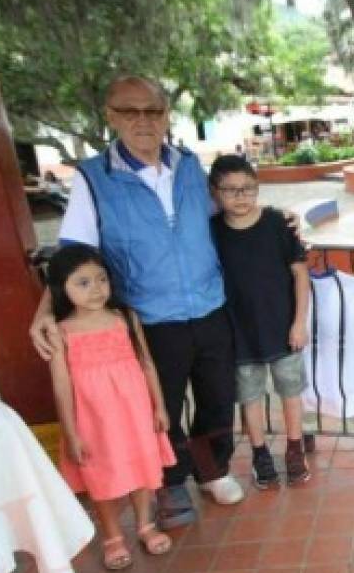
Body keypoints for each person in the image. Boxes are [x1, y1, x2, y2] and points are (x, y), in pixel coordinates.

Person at [30, 75, 245, 529]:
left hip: (209, 306)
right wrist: (44, 313)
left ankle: (212, 470)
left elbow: (229, 214)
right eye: (130, 111)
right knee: (158, 403)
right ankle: (170, 481)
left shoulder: (189, 166)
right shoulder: (94, 178)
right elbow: (73, 258)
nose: (143, 120)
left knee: (217, 398)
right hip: (147, 317)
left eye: (153, 110)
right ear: (110, 116)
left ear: (166, 114)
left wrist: (278, 221)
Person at [46, 244, 174, 570]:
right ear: (62, 287)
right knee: (99, 473)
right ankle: (112, 535)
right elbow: (61, 384)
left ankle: (145, 524)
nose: (96, 289)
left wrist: (159, 406)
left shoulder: (124, 318)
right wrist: (71, 432)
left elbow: (146, 364)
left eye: (101, 279)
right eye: (83, 283)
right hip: (93, 420)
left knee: (142, 465)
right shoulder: (61, 331)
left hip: (134, 413)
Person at [208, 155, 312, 488]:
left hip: (282, 328)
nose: (241, 197)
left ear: (258, 188)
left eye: (248, 189)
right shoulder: (211, 232)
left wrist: (299, 323)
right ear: (215, 193)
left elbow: (300, 274)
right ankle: (259, 453)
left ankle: (294, 448)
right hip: (238, 332)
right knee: (249, 396)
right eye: (231, 190)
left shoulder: (278, 224)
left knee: (290, 391)